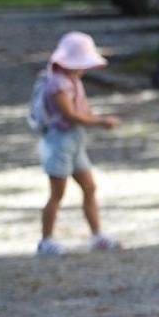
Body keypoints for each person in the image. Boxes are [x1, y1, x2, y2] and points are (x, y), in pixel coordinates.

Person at [36, 32, 122, 255]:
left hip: (75, 142)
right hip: (59, 142)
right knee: (57, 193)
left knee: (89, 187)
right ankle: (46, 240)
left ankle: (97, 235)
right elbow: (70, 115)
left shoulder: (72, 80)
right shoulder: (57, 84)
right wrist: (100, 122)